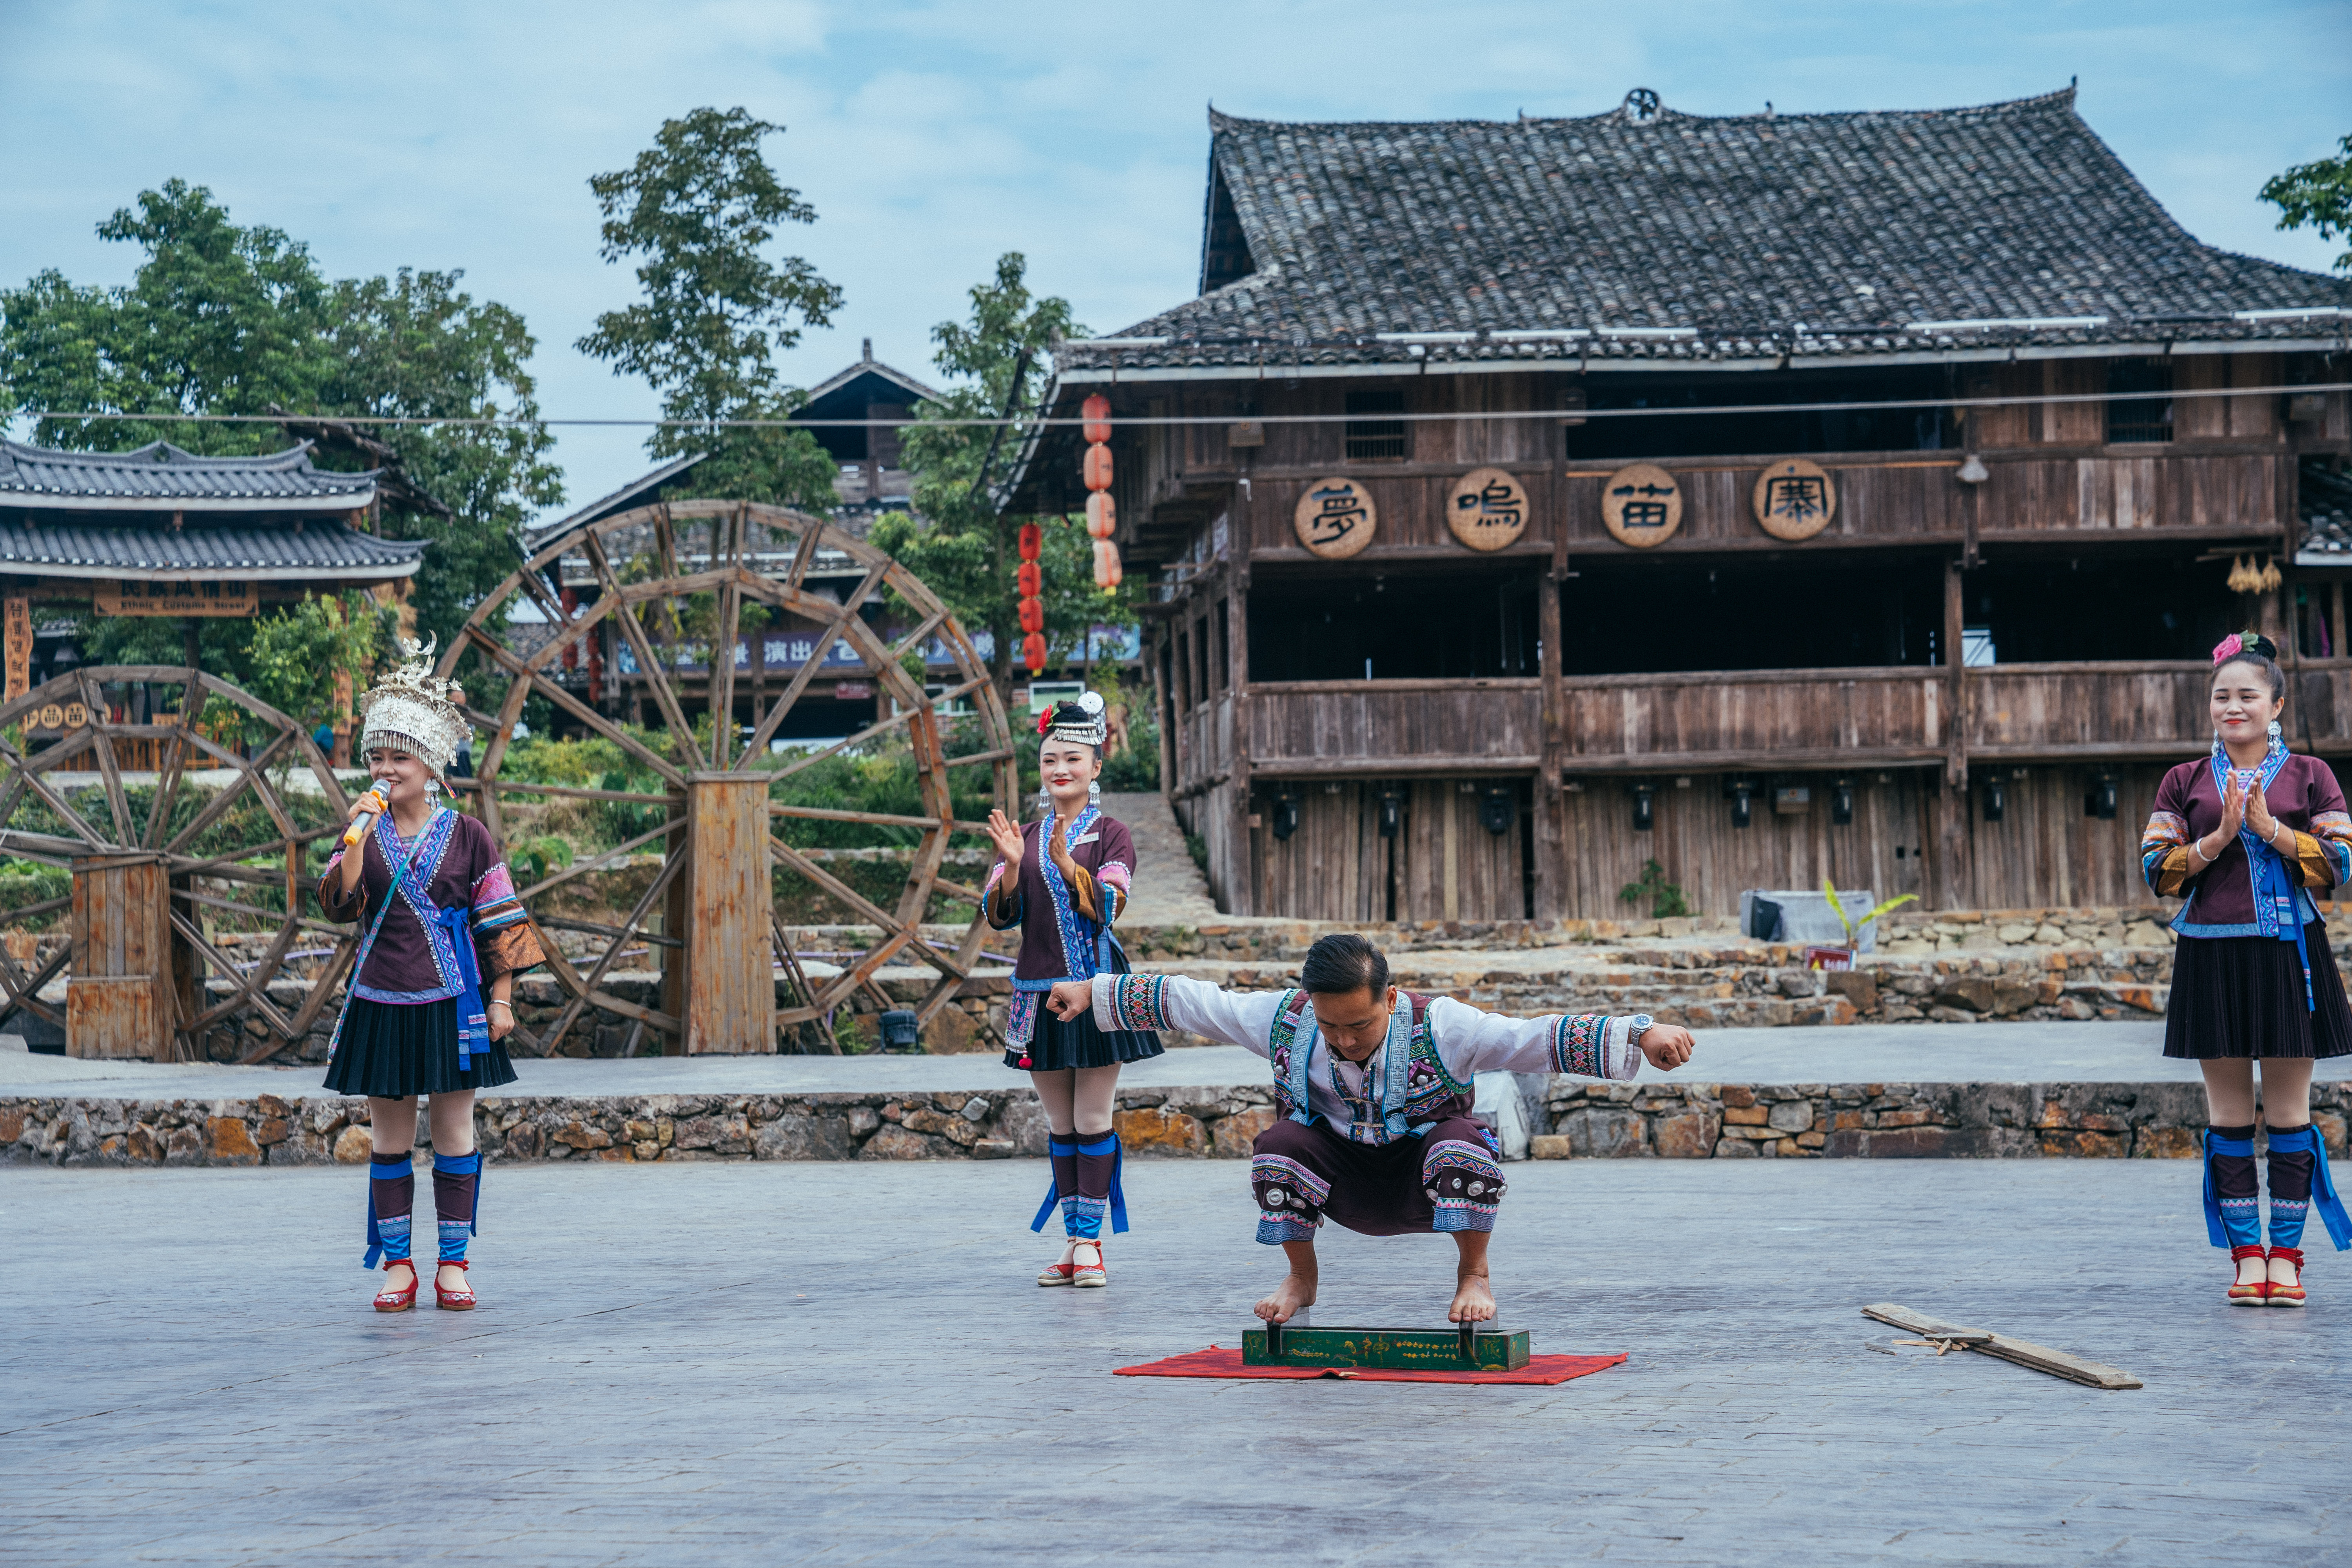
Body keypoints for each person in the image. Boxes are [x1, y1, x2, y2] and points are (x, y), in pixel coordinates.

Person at [1045, 932, 1696, 1325]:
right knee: (1277, 1148)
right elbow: (1196, 1001)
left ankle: (1475, 1276)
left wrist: (1641, 1032)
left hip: (1428, 1178)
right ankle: (1302, 1278)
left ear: (1389, 999)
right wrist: (1091, 990)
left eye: (1359, 1025)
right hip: (1345, 1183)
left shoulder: (1444, 1024)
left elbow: (1533, 1037)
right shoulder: (1285, 1018)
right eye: (1331, 1026)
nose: (1345, 1040)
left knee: (1463, 1144)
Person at [318, 640, 544, 1313]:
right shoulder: (362, 827)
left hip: (455, 1002)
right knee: (389, 1139)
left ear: (431, 763)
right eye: (377, 757)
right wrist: (357, 832)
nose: (387, 769)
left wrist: (502, 1000)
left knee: (454, 1133)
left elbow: (498, 920)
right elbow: (337, 904)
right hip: (381, 998)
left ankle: (452, 1264)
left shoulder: (469, 834)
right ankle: (397, 1267)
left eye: (400, 757)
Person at [2141, 631, 2352, 1307]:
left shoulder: (2311, 775)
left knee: (2289, 1113)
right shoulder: (2185, 781)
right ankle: (2246, 1260)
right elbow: (2158, 872)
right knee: (2229, 1115)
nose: (2234, 707)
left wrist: (2269, 831)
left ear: (2277, 704)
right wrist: (2219, 839)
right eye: (2222, 696)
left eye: (2248, 696)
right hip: (2212, 952)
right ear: (2210, 706)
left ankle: (2286, 1260)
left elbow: (2341, 863)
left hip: (2292, 954)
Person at [982, 691, 1162, 1289]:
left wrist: (1065, 866)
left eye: (1072, 760)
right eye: (1049, 760)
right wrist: (1013, 866)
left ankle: (1090, 1244)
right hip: (1036, 993)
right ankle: (1073, 1241)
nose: (1060, 770)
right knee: (1059, 1125)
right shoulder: (1023, 834)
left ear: (1096, 767)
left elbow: (1113, 904)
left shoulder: (1112, 835)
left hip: (1096, 993)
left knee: (1092, 1117)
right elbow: (999, 917)